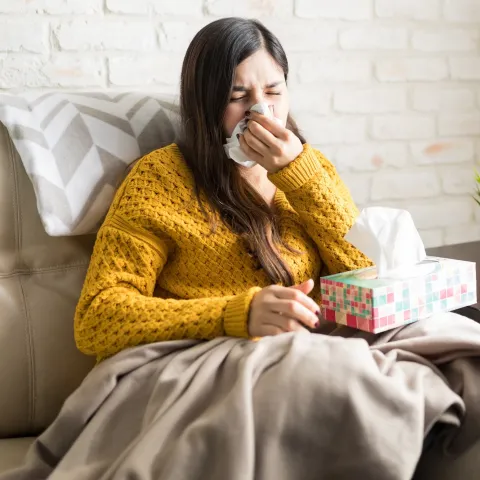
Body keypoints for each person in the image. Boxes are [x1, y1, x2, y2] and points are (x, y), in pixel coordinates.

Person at [74, 17, 372, 363]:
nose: (261, 111)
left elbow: (368, 276)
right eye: (238, 96)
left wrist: (299, 176)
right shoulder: (159, 179)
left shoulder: (311, 168)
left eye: (274, 91)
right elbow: (96, 318)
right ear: (205, 105)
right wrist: (234, 315)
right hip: (208, 360)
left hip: (315, 350)